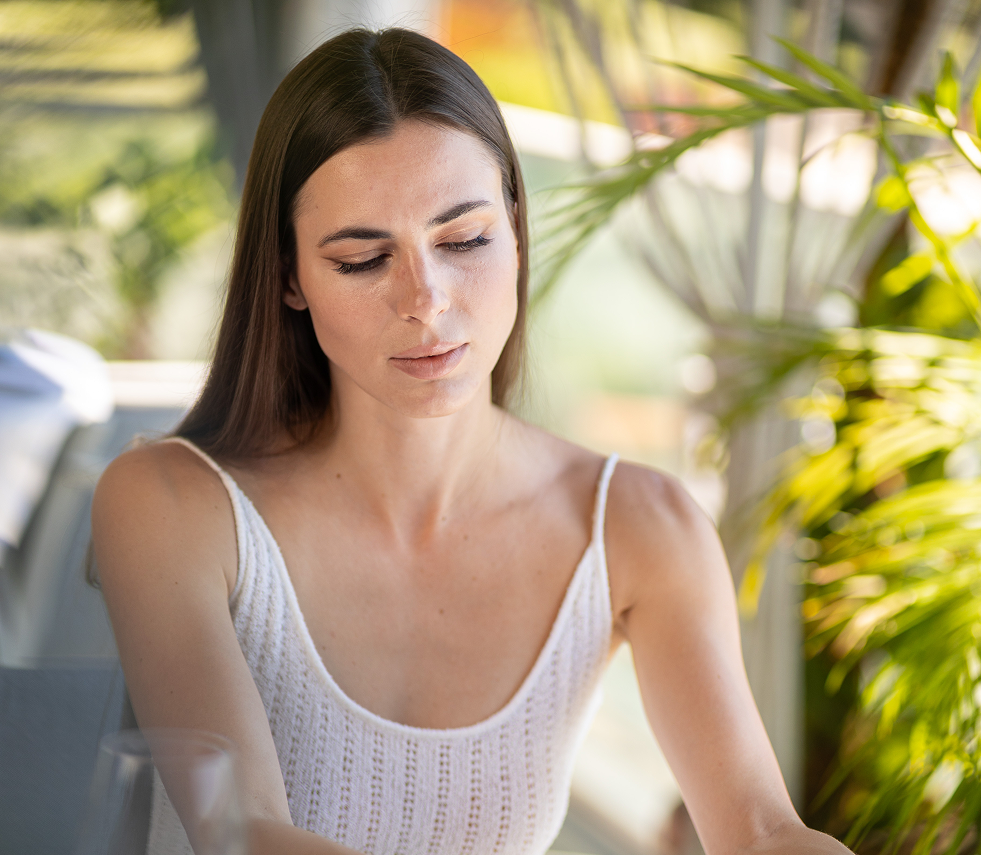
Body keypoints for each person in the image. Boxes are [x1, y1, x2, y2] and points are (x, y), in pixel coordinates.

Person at [91, 26, 853, 855]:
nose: (426, 300)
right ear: (287, 277)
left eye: (463, 241)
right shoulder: (168, 504)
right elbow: (242, 834)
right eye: (361, 259)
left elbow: (761, 828)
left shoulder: (643, 526)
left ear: (516, 232)